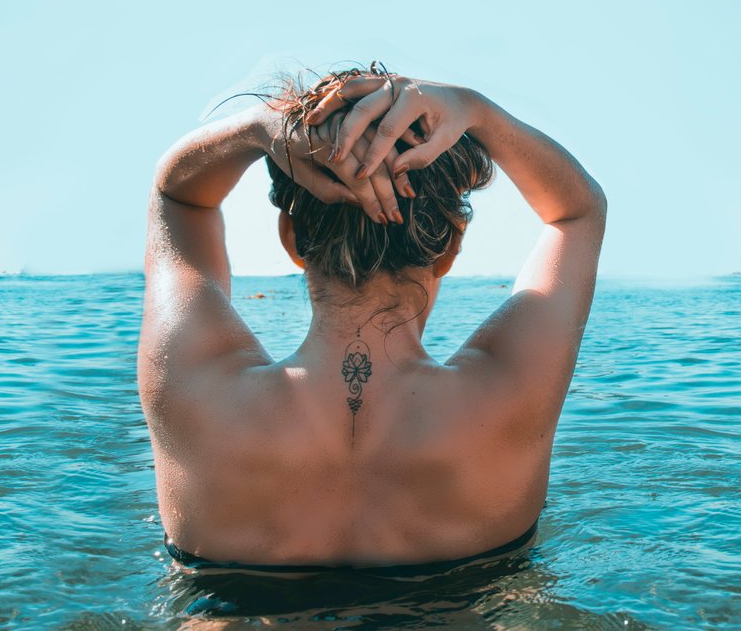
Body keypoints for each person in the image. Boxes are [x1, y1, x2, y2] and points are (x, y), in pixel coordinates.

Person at [139, 68, 605, 571]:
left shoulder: (195, 385)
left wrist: (258, 126)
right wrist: (477, 110)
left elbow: (176, 195)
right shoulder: (509, 391)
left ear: (290, 238)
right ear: (450, 245)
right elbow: (578, 211)